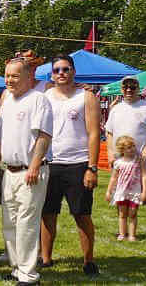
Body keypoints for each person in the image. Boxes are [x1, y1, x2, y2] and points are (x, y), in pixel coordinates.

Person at [0, 50, 52, 286]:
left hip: (30, 171)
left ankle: (29, 276)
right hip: (9, 171)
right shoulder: (7, 100)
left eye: (15, 76)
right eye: (7, 76)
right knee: (10, 222)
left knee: (27, 224)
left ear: (29, 77)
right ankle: (17, 268)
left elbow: (43, 136)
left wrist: (35, 166)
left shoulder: (39, 99)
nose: (9, 80)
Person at [40, 54, 101, 274]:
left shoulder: (86, 96)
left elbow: (94, 133)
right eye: (57, 70)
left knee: (81, 214)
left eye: (65, 69)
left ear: (73, 71)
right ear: (52, 74)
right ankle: (45, 258)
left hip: (78, 164)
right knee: (47, 214)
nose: (61, 74)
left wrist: (92, 168)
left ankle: (88, 260)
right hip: (51, 163)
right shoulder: (45, 96)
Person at [104, 75, 146, 241]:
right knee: (122, 197)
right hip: (121, 163)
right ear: (122, 89)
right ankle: (124, 232)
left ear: (138, 88)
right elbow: (109, 132)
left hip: (144, 164)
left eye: (133, 87)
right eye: (126, 87)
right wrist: (110, 152)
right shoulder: (116, 109)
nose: (129, 90)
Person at [106, 136, 146, 242]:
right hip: (122, 192)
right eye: (129, 147)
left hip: (134, 192)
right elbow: (114, 178)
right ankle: (122, 234)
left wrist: (144, 191)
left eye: (133, 146)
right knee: (122, 214)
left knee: (133, 214)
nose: (133, 149)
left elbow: (144, 175)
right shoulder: (118, 163)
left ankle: (132, 235)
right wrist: (109, 191)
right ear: (122, 150)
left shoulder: (139, 161)